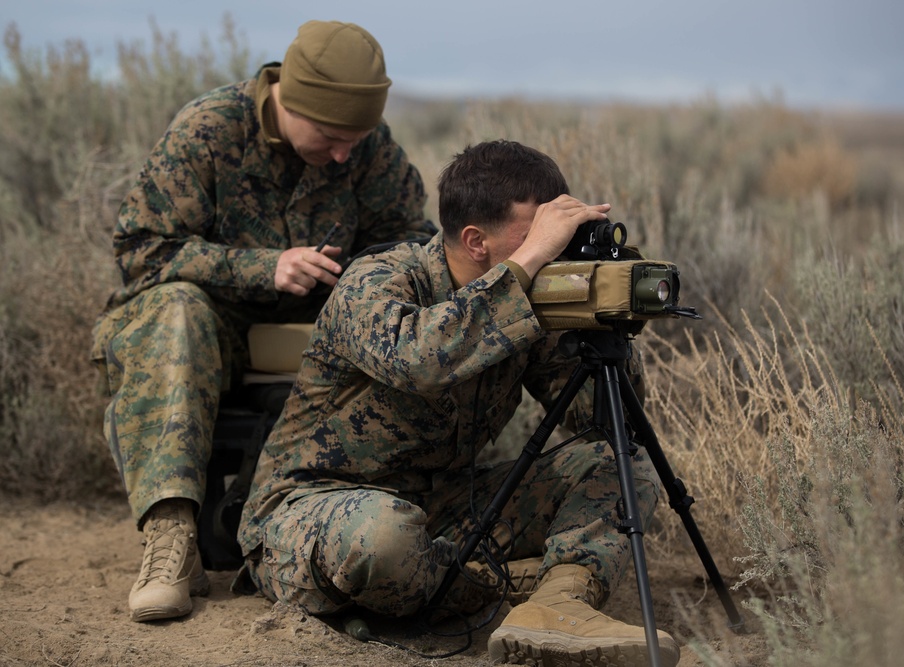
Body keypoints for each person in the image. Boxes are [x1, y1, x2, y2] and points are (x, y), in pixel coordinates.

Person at [237, 139, 680, 666]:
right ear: (475, 241)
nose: (554, 247)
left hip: (449, 504)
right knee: (385, 540)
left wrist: (606, 329)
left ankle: (558, 604)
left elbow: (605, 424)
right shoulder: (378, 280)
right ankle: (490, 582)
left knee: (621, 466)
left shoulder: (530, 299)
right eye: (540, 234)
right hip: (315, 506)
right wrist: (530, 261)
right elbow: (420, 357)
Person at [90, 20, 436, 623]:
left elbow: (411, 243)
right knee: (176, 311)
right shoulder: (210, 129)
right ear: (290, 101)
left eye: (356, 139)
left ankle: (322, 533)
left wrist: (358, 281)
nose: (343, 154)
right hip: (206, 323)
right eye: (330, 137)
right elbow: (142, 250)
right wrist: (264, 268)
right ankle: (171, 542)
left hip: (313, 327)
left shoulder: (369, 149)